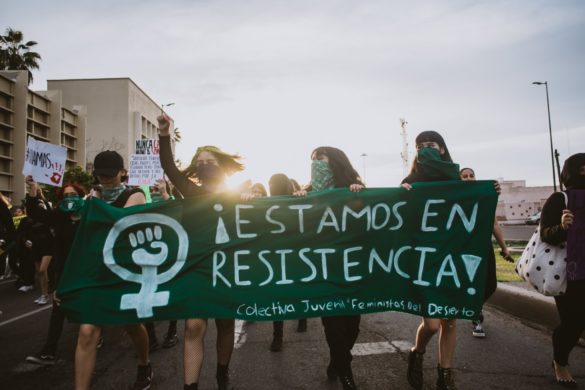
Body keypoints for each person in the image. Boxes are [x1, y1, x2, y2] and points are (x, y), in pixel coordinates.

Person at [158, 113, 243, 390]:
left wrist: (251, 200)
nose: (205, 165)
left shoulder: (236, 195)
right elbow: (169, 167)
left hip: (227, 267)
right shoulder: (190, 191)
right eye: (201, 162)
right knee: (194, 326)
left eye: (211, 161)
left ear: (222, 166)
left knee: (225, 325)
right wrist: (164, 134)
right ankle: (190, 386)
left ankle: (222, 373)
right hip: (197, 266)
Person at [74, 150, 153, 390]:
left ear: (123, 172)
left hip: (124, 271)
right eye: (101, 175)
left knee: (131, 325)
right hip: (96, 271)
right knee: (87, 331)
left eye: (111, 175)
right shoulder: (92, 197)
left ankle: (144, 364)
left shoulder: (135, 194)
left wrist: (94, 203)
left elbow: (118, 220)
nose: (106, 180)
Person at [293, 147, 364, 390]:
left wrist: (358, 196)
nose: (316, 163)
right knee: (333, 325)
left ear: (335, 161)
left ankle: (337, 361)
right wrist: (300, 198)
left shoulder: (354, 188)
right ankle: (346, 373)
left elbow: (368, 219)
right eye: (312, 160)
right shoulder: (307, 192)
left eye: (320, 159)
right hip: (322, 269)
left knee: (352, 327)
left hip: (350, 268)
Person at [402, 131, 463, 390]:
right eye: (420, 146)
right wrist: (401, 195)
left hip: (452, 256)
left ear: (441, 148)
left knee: (450, 321)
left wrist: (489, 191)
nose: (426, 148)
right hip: (424, 259)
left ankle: (445, 375)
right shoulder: (410, 181)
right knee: (432, 324)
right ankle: (417, 352)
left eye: (431, 144)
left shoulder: (458, 180)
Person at [24, 178, 86, 365]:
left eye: (73, 195)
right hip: (66, 271)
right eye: (66, 196)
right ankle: (49, 351)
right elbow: (36, 213)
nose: (69, 198)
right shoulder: (59, 216)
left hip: (88, 271)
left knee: (89, 307)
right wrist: (34, 189)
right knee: (58, 308)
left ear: (81, 196)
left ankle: (94, 335)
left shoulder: (91, 214)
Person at [540, 153, 585, 388]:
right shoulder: (560, 199)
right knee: (573, 321)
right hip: (571, 272)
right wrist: (562, 227)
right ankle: (561, 361)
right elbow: (544, 233)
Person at [459, 167, 514, 338]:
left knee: (490, 284)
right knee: (467, 282)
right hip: (463, 248)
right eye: (464, 176)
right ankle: (476, 316)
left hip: (484, 246)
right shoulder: (453, 197)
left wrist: (504, 247)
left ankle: (474, 306)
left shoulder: (485, 195)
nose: (468, 178)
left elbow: (493, 223)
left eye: (471, 175)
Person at [266, 173, 308, 353]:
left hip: (295, 255)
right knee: (278, 296)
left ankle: (302, 317)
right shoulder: (266, 204)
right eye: (270, 183)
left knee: (295, 290)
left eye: (274, 183)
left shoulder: (297, 201)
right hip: (276, 257)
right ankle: (278, 335)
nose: (271, 186)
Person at [144, 178, 179, 351]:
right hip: (147, 253)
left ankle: (172, 331)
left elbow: (178, 211)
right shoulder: (140, 199)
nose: (154, 189)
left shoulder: (171, 200)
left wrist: (164, 193)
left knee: (171, 293)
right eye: (152, 188)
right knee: (145, 294)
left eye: (157, 187)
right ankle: (150, 336)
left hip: (170, 252)